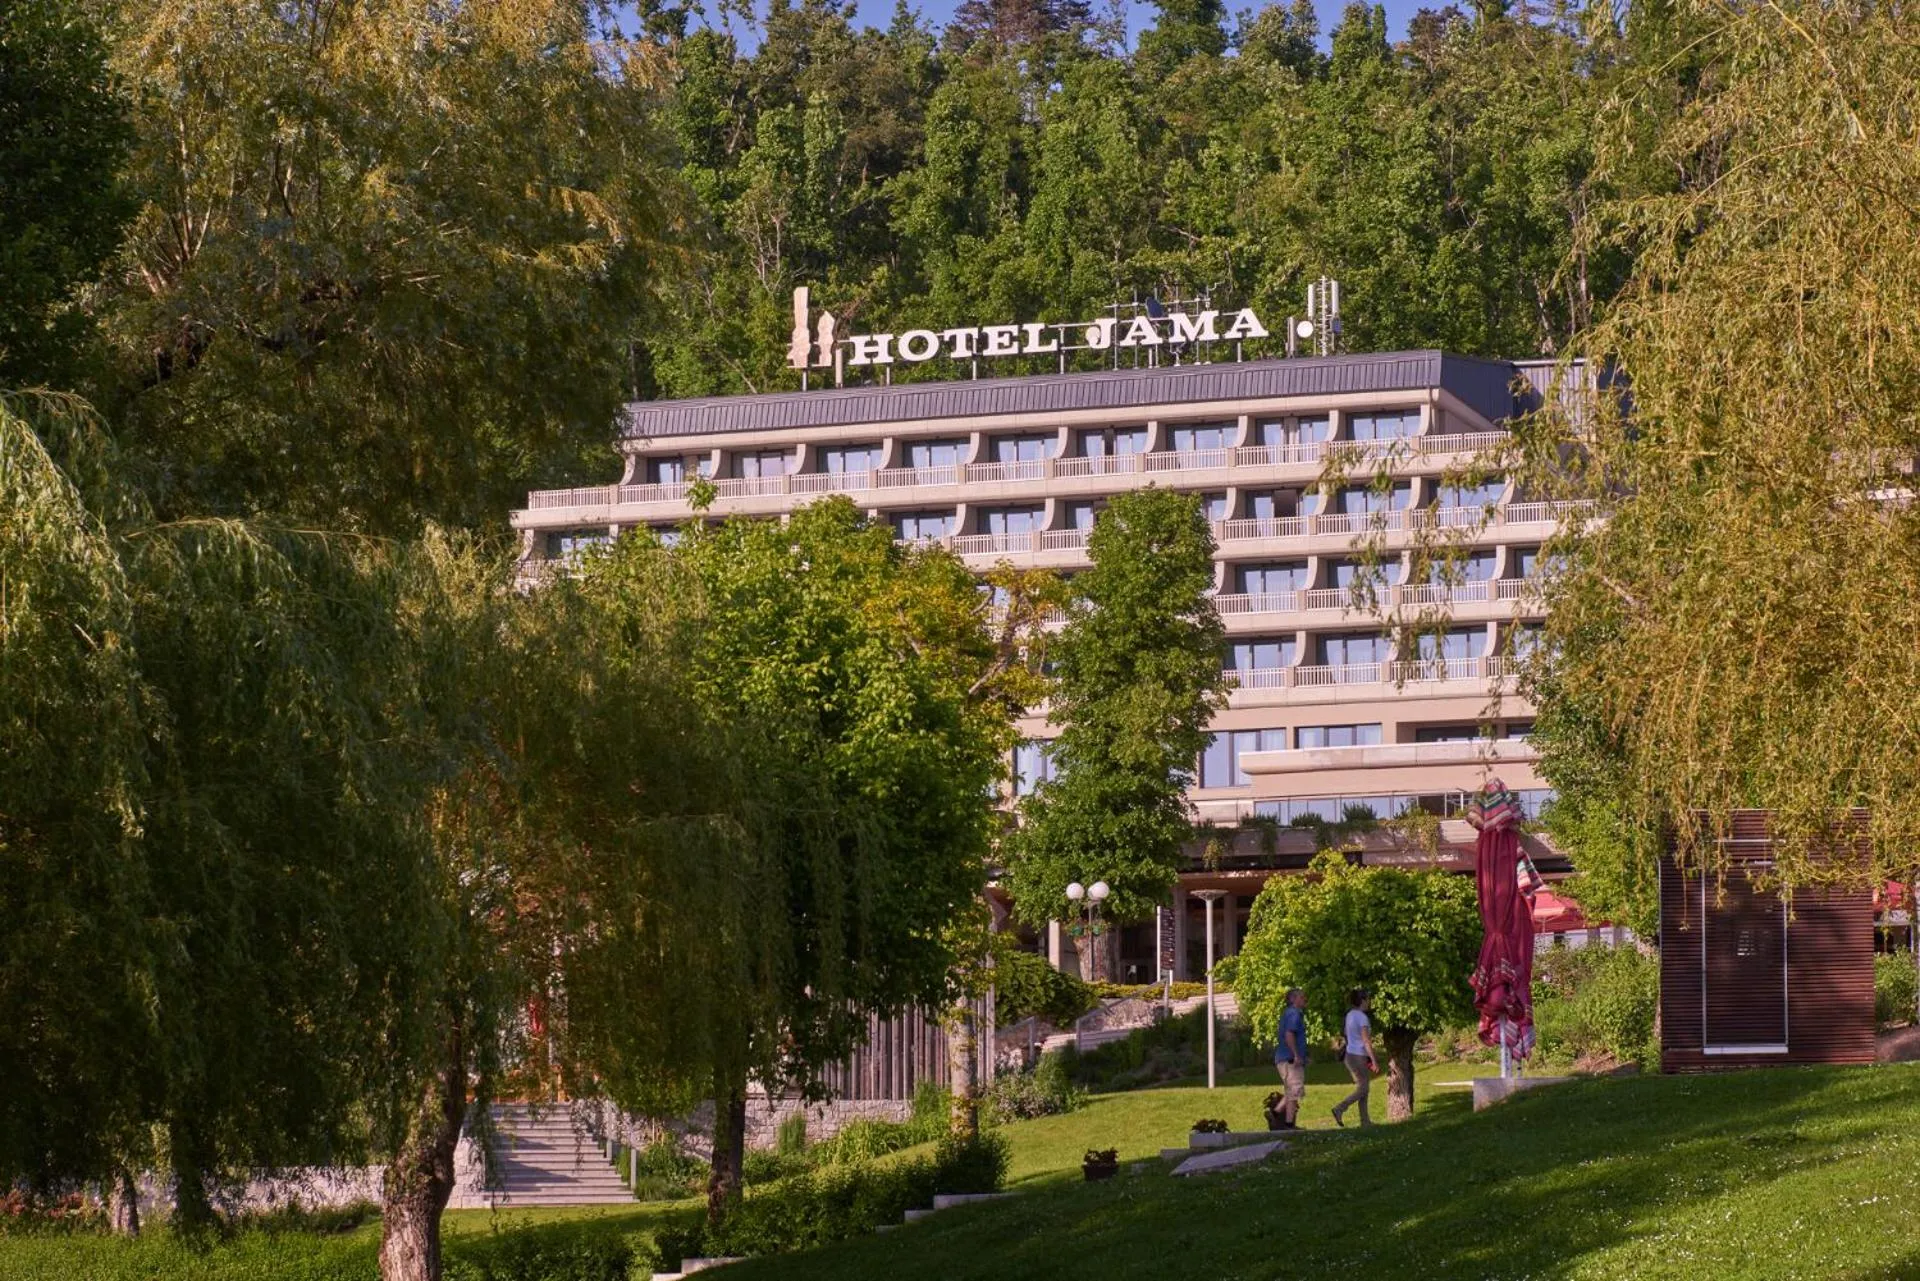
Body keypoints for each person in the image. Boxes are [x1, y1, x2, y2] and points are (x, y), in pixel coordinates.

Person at [1332, 988, 1378, 1128]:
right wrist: (1373, 1060)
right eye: (1368, 999)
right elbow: (1366, 1041)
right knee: (1363, 1089)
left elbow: (1346, 1033)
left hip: (1350, 1056)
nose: (1369, 1001)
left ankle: (1365, 1122)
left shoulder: (1350, 1015)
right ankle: (1340, 1108)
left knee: (1362, 1088)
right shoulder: (1362, 1018)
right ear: (1362, 1000)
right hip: (1358, 1056)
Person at [1273, 988, 1309, 1129]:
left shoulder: (1289, 1013)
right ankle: (1288, 1125)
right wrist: (1296, 1055)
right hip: (1289, 1059)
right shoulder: (1294, 1013)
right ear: (1293, 999)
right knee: (1295, 1091)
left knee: (1291, 1091)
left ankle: (1276, 1114)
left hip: (1284, 1058)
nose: (1304, 998)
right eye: (1301, 996)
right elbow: (1289, 1035)